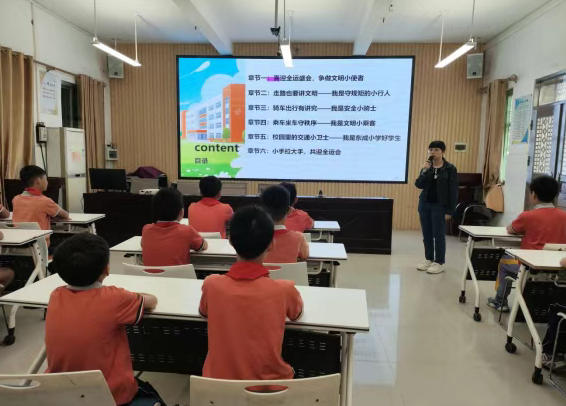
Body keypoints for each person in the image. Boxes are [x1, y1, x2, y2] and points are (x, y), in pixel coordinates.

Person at [45, 233, 163, 406]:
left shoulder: (55, 295)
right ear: (106, 270)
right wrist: (130, 295)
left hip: (63, 394)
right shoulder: (115, 298)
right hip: (111, 396)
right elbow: (151, 301)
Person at [199, 206, 303, 380]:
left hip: (217, 385)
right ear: (271, 244)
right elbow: (296, 314)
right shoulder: (284, 290)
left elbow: (204, 312)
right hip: (269, 388)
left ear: (230, 241)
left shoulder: (212, 285)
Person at [487, 175, 566, 312]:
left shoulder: (528, 216)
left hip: (530, 268)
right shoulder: (564, 216)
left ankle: (500, 302)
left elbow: (511, 229)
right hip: (558, 269)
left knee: (504, 261)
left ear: (533, 194)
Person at [415, 141, 458, 275]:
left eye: (436, 150)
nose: (433, 152)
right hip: (424, 204)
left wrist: (450, 211)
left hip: (439, 206)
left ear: (443, 152)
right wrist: (424, 171)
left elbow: (453, 191)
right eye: (431, 149)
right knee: (427, 234)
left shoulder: (450, 168)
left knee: (438, 235)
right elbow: (418, 184)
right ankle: (429, 259)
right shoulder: (427, 167)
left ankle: (439, 262)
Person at [142, 188, 207, 267]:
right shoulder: (187, 231)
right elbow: (203, 246)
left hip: (150, 275)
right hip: (179, 275)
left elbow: (142, 244)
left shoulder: (146, 230)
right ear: (181, 212)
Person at [12, 165, 70, 247]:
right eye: (46, 179)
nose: (47, 182)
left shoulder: (16, 199)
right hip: (42, 246)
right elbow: (65, 215)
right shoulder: (45, 201)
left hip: (20, 244)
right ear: (38, 181)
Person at [261, 185, 309, 263]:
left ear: (263, 210)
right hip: (290, 272)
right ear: (289, 210)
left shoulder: (254, 238)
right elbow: (305, 256)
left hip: (261, 271)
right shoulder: (299, 238)